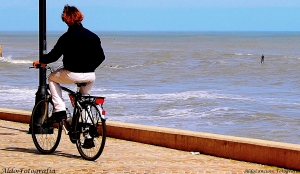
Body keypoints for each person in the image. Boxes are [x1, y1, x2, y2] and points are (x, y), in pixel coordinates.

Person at [33, 5, 105, 124]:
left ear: (66, 19)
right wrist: (90, 67)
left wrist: (41, 62)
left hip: (72, 73)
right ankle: (87, 135)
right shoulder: (93, 36)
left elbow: (54, 55)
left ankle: (60, 110)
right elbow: (101, 57)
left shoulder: (66, 37)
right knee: (84, 99)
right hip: (90, 75)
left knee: (51, 79)